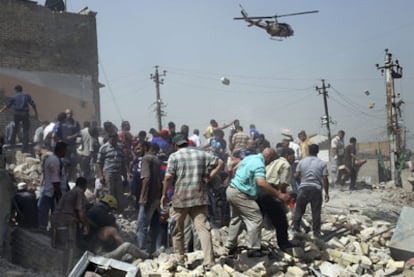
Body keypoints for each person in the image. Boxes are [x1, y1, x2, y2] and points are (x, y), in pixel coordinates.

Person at [162, 134, 224, 271]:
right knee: (203, 229)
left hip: (180, 199)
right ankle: (209, 261)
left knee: (177, 230)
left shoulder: (174, 156)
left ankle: (180, 259)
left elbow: (168, 178)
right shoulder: (201, 154)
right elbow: (220, 163)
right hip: (199, 197)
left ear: (175, 145)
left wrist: (164, 195)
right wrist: (209, 177)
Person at [224, 148, 290, 257]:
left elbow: (234, 168)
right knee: (256, 218)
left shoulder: (250, 157)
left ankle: (230, 246)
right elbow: (261, 182)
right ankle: (253, 248)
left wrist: (241, 180)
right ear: (268, 157)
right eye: (271, 160)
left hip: (231, 189)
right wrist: (279, 195)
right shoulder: (260, 164)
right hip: (241, 194)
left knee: (236, 219)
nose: (270, 162)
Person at [259, 147, 296, 251]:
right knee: (281, 221)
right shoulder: (286, 165)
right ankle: (284, 244)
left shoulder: (273, 162)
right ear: (287, 155)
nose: (294, 159)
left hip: (261, 190)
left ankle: (254, 245)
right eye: (293, 157)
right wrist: (283, 199)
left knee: (258, 220)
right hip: (271, 191)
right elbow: (283, 185)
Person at [51, 177, 89, 274]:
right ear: (84, 185)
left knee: (60, 249)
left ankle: (57, 271)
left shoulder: (68, 193)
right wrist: (85, 225)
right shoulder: (79, 192)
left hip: (56, 222)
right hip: (68, 223)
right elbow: (80, 211)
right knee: (70, 250)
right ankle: (68, 273)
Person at [293, 144, 329, 237]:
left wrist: (301, 183)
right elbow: (325, 179)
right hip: (316, 190)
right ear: (317, 152)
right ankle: (316, 233)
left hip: (303, 189)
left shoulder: (301, 162)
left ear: (308, 151)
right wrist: (326, 193)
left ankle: (296, 229)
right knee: (316, 212)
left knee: (299, 210)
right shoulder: (322, 163)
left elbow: (296, 176)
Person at [136, 142, 162, 256]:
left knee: (142, 226)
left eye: (139, 147)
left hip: (148, 198)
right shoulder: (156, 159)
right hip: (156, 197)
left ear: (146, 148)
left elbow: (146, 178)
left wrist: (142, 196)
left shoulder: (146, 159)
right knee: (155, 224)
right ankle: (156, 248)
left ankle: (142, 251)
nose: (137, 149)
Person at [38, 141, 69, 230]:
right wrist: (59, 195)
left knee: (50, 212)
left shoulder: (55, 159)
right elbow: (55, 180)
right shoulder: (54, 161)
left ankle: (49, 229)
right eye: (65, 150)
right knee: (51, 213)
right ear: (61, 150)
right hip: (53, 192)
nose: (66, 153)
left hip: (52, 191)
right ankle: (45, 229)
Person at [0, 85, 38, 152]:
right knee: (25, 129)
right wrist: (36, 113)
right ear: (21, 89)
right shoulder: (27, 95)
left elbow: (8, 105)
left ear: (16, 90)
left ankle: (12, 143)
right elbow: (33, 104)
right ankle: (24, 147)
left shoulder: (14, 97)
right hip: (25, 114)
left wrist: (1, 110)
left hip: (17, 114)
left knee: (15, 128)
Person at [96, 131, 128, 211]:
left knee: (119, 193)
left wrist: (125, 176)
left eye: (116, 138)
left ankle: (119, 210)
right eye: (113, 138)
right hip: (108, 173)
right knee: (110, 193)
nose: (115, 140)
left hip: (118, 173)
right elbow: (98, 163)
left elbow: (123, 163)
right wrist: (100, 175)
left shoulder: (120, 147)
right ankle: (109, 210)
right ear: (110, 138)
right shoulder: (104, 148)